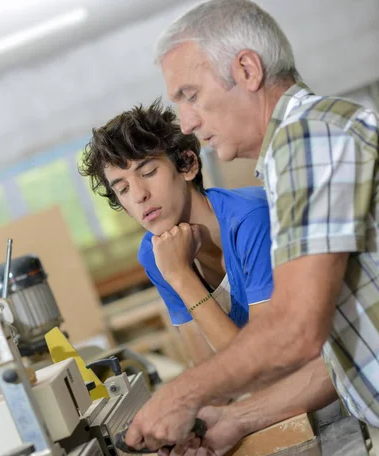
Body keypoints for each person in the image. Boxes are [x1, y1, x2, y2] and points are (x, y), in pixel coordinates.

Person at [124, 0, 379, 456]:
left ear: (246, 70)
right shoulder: (292, 153)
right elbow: (342, 352)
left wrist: (183, 394)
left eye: (191, 95)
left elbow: (296, 332)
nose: (186, 123)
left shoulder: (308, 139)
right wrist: (242, 418)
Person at [79, 100, 274, 367]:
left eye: (148, 172)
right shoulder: (155, 252)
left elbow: (259, 362)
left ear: (187, 165)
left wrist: (181, 275)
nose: (138, 195)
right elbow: (207, 366)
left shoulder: (251, 219)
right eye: (122, 189)